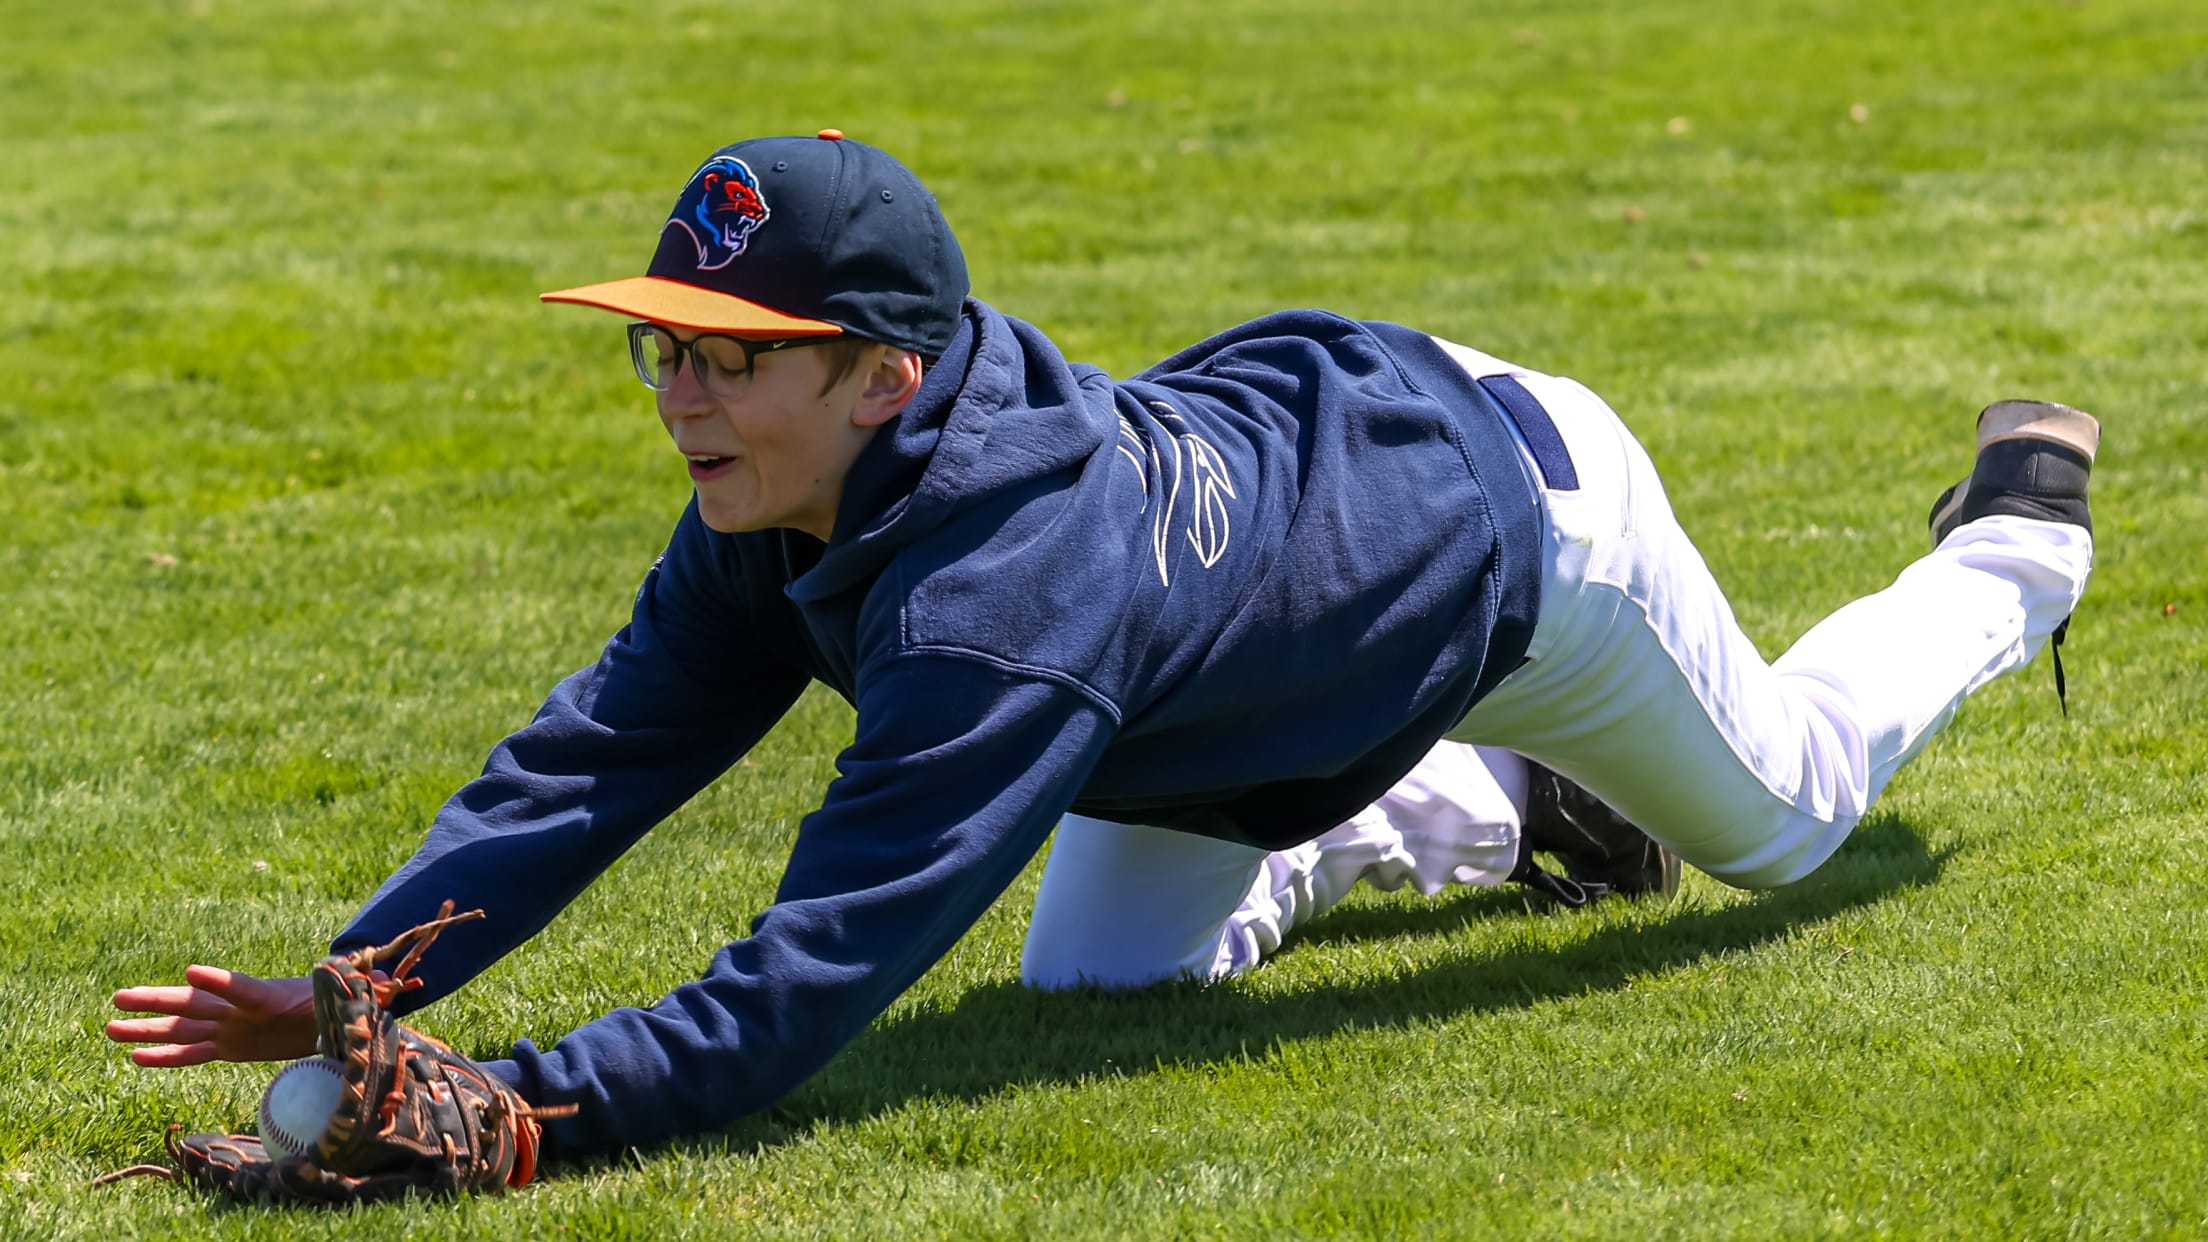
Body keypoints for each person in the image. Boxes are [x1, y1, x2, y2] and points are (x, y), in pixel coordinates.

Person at [107, 131, 2097, 1157]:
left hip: (1523, 535)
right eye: (662, 344)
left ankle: (2017, 541)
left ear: (888, 378)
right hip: (1274, 603)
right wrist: (351, 982)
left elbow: (806, 980)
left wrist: (542, 1109)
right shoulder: (779, 492)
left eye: (732, 359)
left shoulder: (996, 612)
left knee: (1799, 820)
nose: (677, 396)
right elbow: (594, 761)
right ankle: (1480, 804)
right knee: (1098, 982)